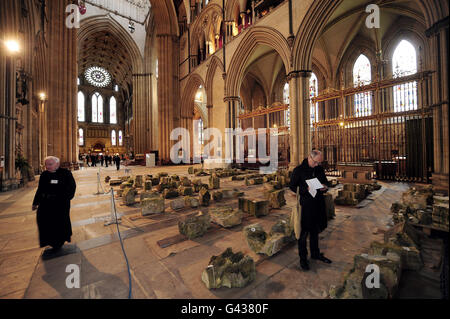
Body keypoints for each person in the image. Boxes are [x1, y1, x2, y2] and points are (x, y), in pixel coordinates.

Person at [289, 150, 332, 270]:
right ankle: (303, 259)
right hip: (305, 206)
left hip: (317, 204)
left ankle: (315, 254)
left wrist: (325, 187)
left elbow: (325, 182)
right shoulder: (299, 170)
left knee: (315, 231)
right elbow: (292, 186)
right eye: (316, 162)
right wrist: (305, 189)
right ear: (310, 158)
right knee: (303, 234)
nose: (317, 164)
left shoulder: (319, 169)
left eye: (319, 162)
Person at [32, 156, 76, 251]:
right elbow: (40, 189)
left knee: (59, 223)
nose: (47, 166)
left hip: (60, 204)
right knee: (44, 222)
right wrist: (35, 202)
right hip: (46, 204)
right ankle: (48, 241)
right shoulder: (44, 175)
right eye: (46, 165)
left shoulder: (66, 173)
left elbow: (71, 187)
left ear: (57, 164)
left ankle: (59, 241)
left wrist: (65, 198)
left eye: (50, 164)